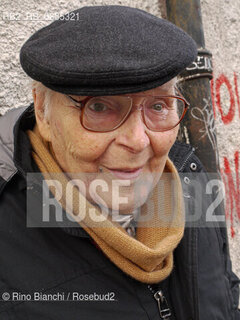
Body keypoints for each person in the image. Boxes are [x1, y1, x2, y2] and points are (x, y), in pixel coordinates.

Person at [0, 5, 239, 320]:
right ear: (44, 111)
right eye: (99, 107)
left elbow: (225, 294)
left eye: (157, 105)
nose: (139, 141)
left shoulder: (190, 180)